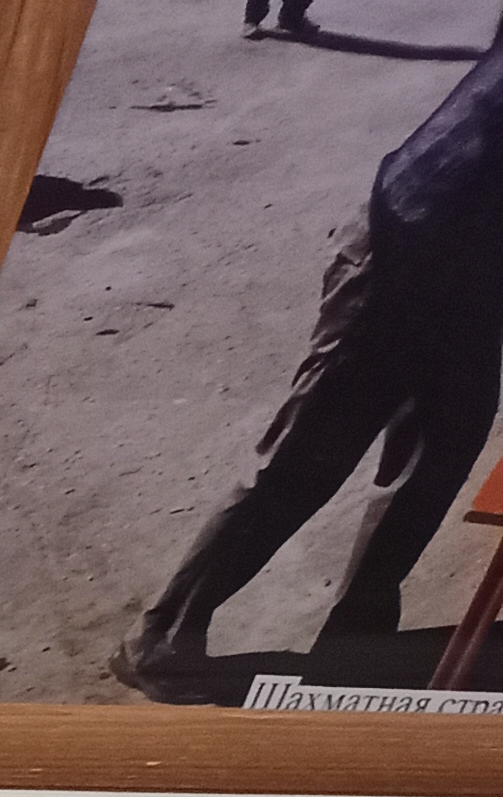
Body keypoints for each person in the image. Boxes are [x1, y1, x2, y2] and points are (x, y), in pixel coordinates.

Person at [121, 35, 503, 699]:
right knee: (307, 457)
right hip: (402, 243)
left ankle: (356, 635)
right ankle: (160, 635)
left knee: (437, 459)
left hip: (477, 276)